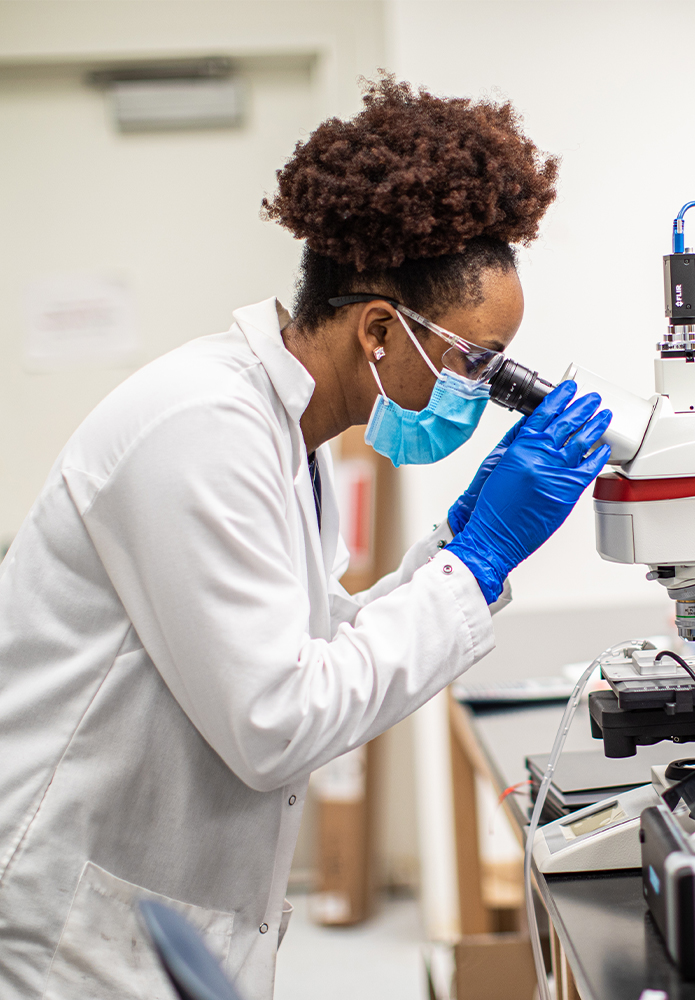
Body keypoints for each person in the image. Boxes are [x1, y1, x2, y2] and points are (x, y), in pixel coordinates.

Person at [0, 76, 611, 1000]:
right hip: (71, 933)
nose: (482, 390)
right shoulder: (202, 427)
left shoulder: (287, 438)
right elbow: (278, 722)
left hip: (156, 913)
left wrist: (457, 543)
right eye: (474, 361)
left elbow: (321, 651)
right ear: (378, 330)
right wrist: (475, 565)